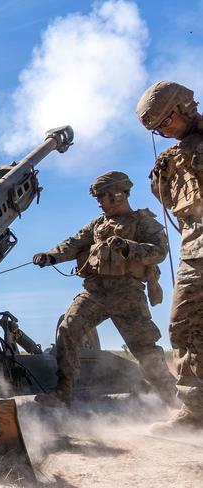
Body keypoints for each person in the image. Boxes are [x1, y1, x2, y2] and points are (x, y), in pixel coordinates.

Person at [33, 171, 177, 407]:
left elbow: (159, 252)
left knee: (145, 349)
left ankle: (173, 400)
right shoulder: (97, 225)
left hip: (128, 294)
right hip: (95, 292)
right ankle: (62, 393)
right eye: (98, 198)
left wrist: (128, 247)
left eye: (103, 197)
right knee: (68, 329)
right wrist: (50, 256)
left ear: (119, 195)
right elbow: (74, 243)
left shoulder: (144, 223)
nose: (100, 202)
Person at [136, 81, 203, 430]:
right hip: (195, 252)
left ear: (183, 109)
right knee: (183, 326)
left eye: (165, 124)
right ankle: (195, 413)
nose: (163, 133)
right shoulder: (171, 159)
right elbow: (173, 205)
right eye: (156, 129)